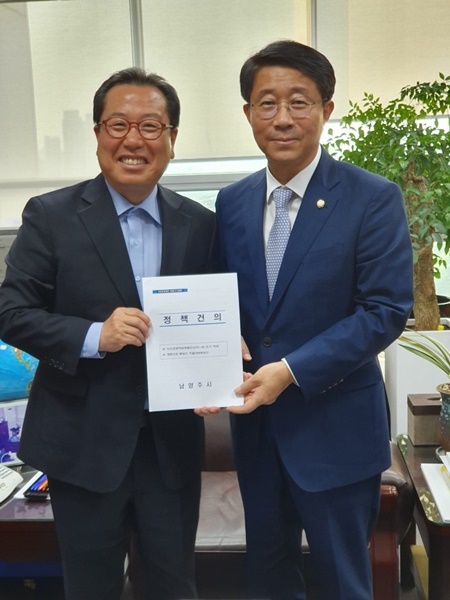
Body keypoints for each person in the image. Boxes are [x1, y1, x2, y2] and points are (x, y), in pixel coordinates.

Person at [0, 68, 216, 600]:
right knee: (91, 588)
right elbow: (11, 311)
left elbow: (215, 311)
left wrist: (224, 346)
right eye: (118, 124)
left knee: (174, 586)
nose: (133, 140)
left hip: (170, 448)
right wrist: (95, 335)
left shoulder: (200, 223)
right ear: (98, 133)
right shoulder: (50, 215)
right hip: (83, 444)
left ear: (172, 138)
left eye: (150, 126)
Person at [215, 40, 413, 600]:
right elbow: (227, 303)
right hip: (256, 434)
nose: (282, 118)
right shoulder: (231, 202)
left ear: (326, 109)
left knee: (344, 584)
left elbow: (384, 311)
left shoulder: (372, 198)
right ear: (248, 113)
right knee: (268, 582)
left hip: (336, 431)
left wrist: (290, 370)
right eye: (267, 103)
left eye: (298, 102)